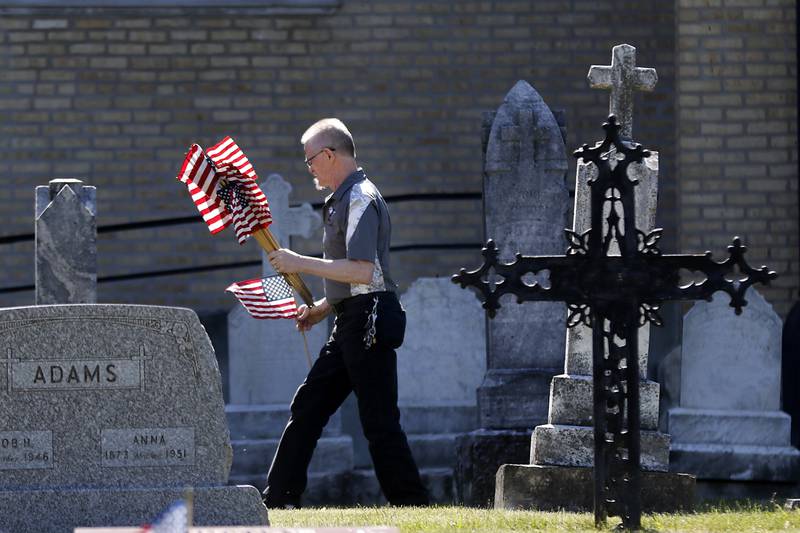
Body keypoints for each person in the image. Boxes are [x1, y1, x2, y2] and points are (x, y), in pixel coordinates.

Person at [263, 118, 429, 508]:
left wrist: (297, 261)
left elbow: (362, 271)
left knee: (378, 421)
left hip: (369, 319)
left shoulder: (360, 197)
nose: (309, 168)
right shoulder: (341, 198)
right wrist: (323, 309)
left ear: (330, 154)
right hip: (351, 318)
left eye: (310, 160)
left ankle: (411, 503)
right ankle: (280, 499)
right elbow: (351, 280)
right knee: (308, 406)